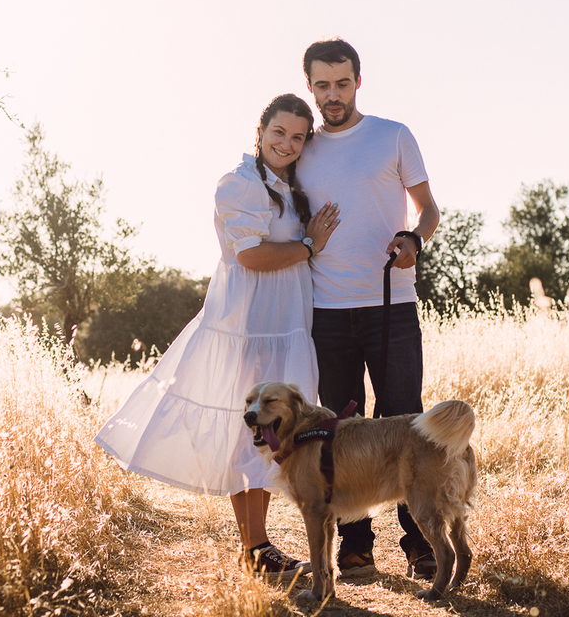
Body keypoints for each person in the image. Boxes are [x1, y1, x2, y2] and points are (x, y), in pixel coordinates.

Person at [94, 94, 341, 577]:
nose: (287, 144)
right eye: (278, 133)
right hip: (251, 326)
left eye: (297, 137)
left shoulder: (289, 187)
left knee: (272, 435)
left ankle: (260, 548)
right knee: (250, 435)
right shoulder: (240, 184)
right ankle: (256, 549)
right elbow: (250, 256)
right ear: (260, 131)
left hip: (285, 324)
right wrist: (311, 244)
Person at [294, 38, 441, 581]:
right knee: (339, 430)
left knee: (406, 421)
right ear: (310, 87)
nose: (333, 95)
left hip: (390, 304)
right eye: (323, 86)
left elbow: (428, 209)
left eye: (342, 83)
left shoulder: (392, 135)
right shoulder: (302, 148)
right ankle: (355, 545)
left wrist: (414, 239)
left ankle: (420, 542)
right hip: (326, 309)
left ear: (358, 81)